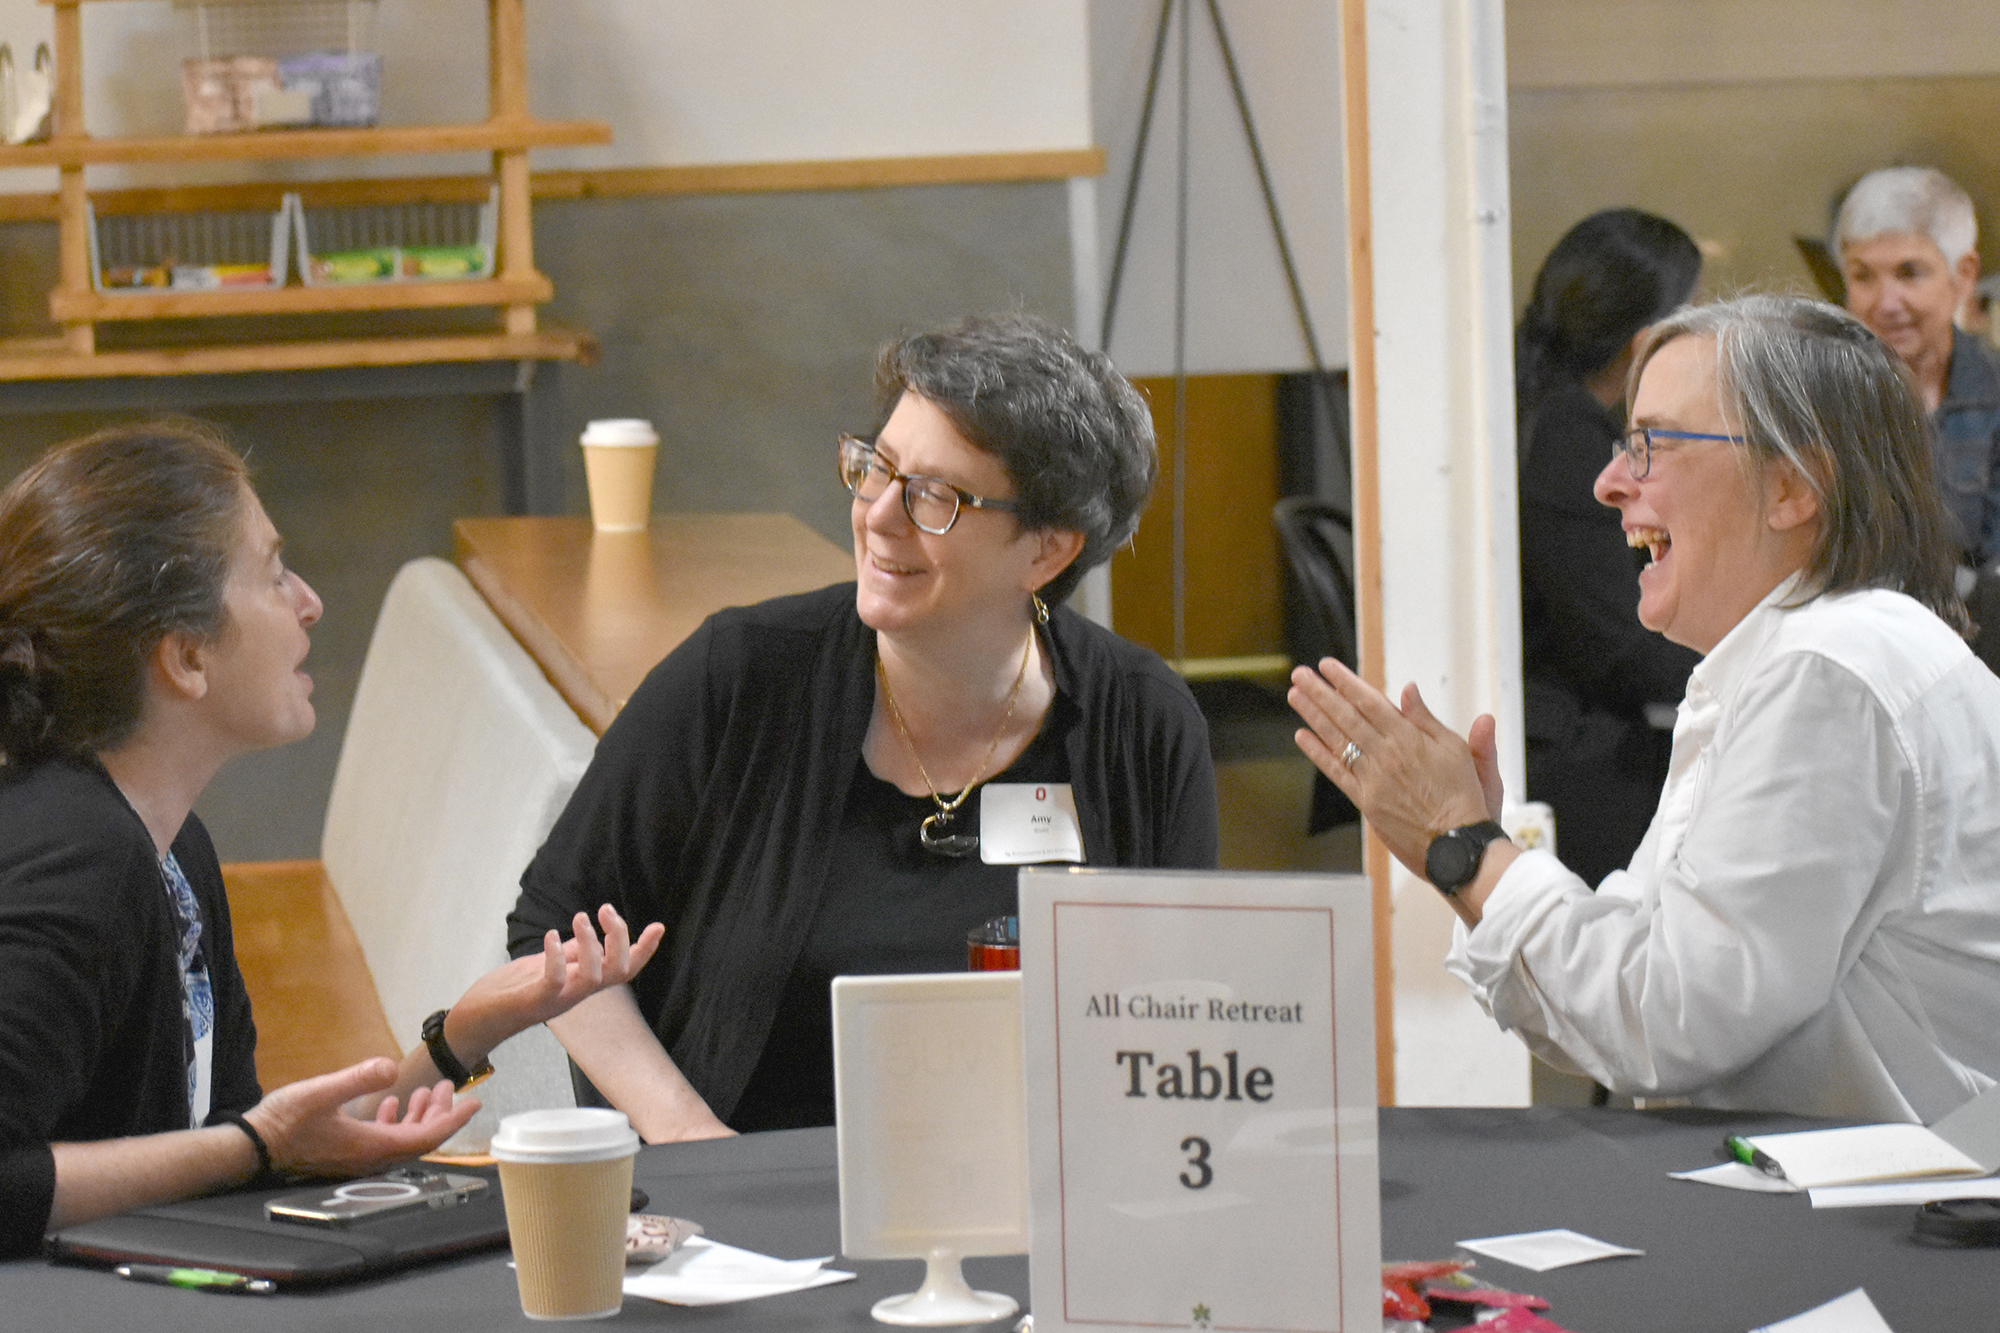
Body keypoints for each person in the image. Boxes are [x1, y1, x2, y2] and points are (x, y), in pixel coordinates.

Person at [1290, 294, 2000, 1123]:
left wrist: (1463, 846)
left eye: (1651, 445)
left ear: (1793, 486)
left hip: (1886, 1230)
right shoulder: (1793, 657)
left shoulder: (1830, 671)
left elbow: (1667, 1023)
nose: (1608, 481)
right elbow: (1635, 983)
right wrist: (1469, 853)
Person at [509, 312, 1219, 1139]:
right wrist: (690, 1137)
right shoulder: (742, 676)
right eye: (876, 468)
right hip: (748, 1214)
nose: (879, 514)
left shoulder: (1145, 725)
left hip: (1033, 1208)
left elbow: (1180, 1022)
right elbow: (555, 920)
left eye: (935, 498)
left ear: (1047, 551)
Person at [0, 421, 663, 1258]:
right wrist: (255, 1147)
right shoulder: (77, 858)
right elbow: (235, 1150)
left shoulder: (173, 852)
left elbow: (246, 1148)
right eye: (274, 574)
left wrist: (462, 1033)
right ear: (186, 656)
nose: (308, 601)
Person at [1515, 209, 1704, 887]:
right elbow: (1616, 646)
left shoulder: (1531, 402)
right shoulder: (1564, 436)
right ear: (1649, 340)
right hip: (1558, 746)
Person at [1834, 165, 2000, 567]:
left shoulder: (1993, 393)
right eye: (1863, 276)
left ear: (1963, 276)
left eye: (1909, 273)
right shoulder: (1822, 398)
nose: (1886, 303)